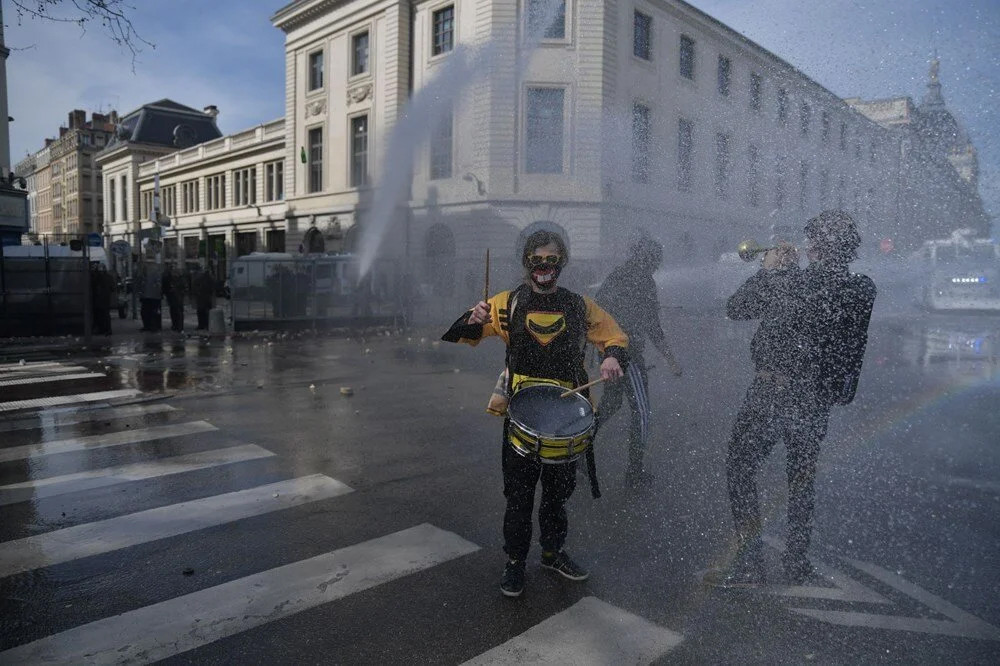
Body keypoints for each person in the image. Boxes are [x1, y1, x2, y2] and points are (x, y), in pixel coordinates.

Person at [441, 230, 629, 598]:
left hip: (567, 414)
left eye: (552, 260)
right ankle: (514, 563)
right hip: (522, 414)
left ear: (562, 263)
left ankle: (552, 553)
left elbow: (617, 337)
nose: (545, 268)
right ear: (526, 261)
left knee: (558, 495)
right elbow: (458, 335)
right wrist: (474, 318)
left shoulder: (580, 306)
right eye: (537, 260)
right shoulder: (506, 303)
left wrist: (611, 357)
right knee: (519, 496)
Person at [705, 210, 876, 587]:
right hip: (815, 399)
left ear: (821, 246)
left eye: (813, 239)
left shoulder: (800, 283)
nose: (808, 245)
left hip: (773, 390)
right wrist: (785, 274)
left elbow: (737, 309)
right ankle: (796, 564)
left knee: (740, 468)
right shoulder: (858, 287)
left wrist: (770, 271)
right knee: (800, 479)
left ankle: (750, 565)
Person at [593, 238, 683, 485]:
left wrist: (601, 349)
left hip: (610, 353)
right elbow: (652, 326)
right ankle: (635, 472)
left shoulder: (618, 275)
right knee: (642, 412)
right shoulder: (643, 280)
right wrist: (671, 359)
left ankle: (576, 453)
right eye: (655, 259)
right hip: (627, 355)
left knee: (610, 404)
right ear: (649, 259)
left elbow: (598, 310)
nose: (656, 265)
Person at [138, 261, 163, 332]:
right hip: (146, 297)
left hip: (154, 297)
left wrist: (158, 292)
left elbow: (158, 285)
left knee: (153, 312)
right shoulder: (143, 276)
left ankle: (153, 326)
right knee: (145, 312)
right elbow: (141, 286)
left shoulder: (154, 274)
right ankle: (147, 326)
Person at [90, 262, 113, 336]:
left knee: (100, 315)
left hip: (99, 299)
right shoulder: (108, 277)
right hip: (105, 299)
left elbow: (92, 285)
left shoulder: (97, 277)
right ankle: (107, 329)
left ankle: (103, 329)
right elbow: (112, 288)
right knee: (105, 315)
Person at [162, 264, 186, 332]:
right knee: (174, 312)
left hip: (177, 298)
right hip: (174, 298)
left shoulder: (179, 279)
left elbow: (183, 288)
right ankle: (176, 326)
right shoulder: (172, 279)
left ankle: (179, 327)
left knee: (178, 312)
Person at [192, 266, 215, 331]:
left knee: (201, 312)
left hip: (201, 298)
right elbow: (213, 287)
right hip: (206, 298)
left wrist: (197, 293)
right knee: (206, 312)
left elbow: (194, 286)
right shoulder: (210, 278)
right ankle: (206, 325)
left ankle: (201, 325)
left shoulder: (199, 278)